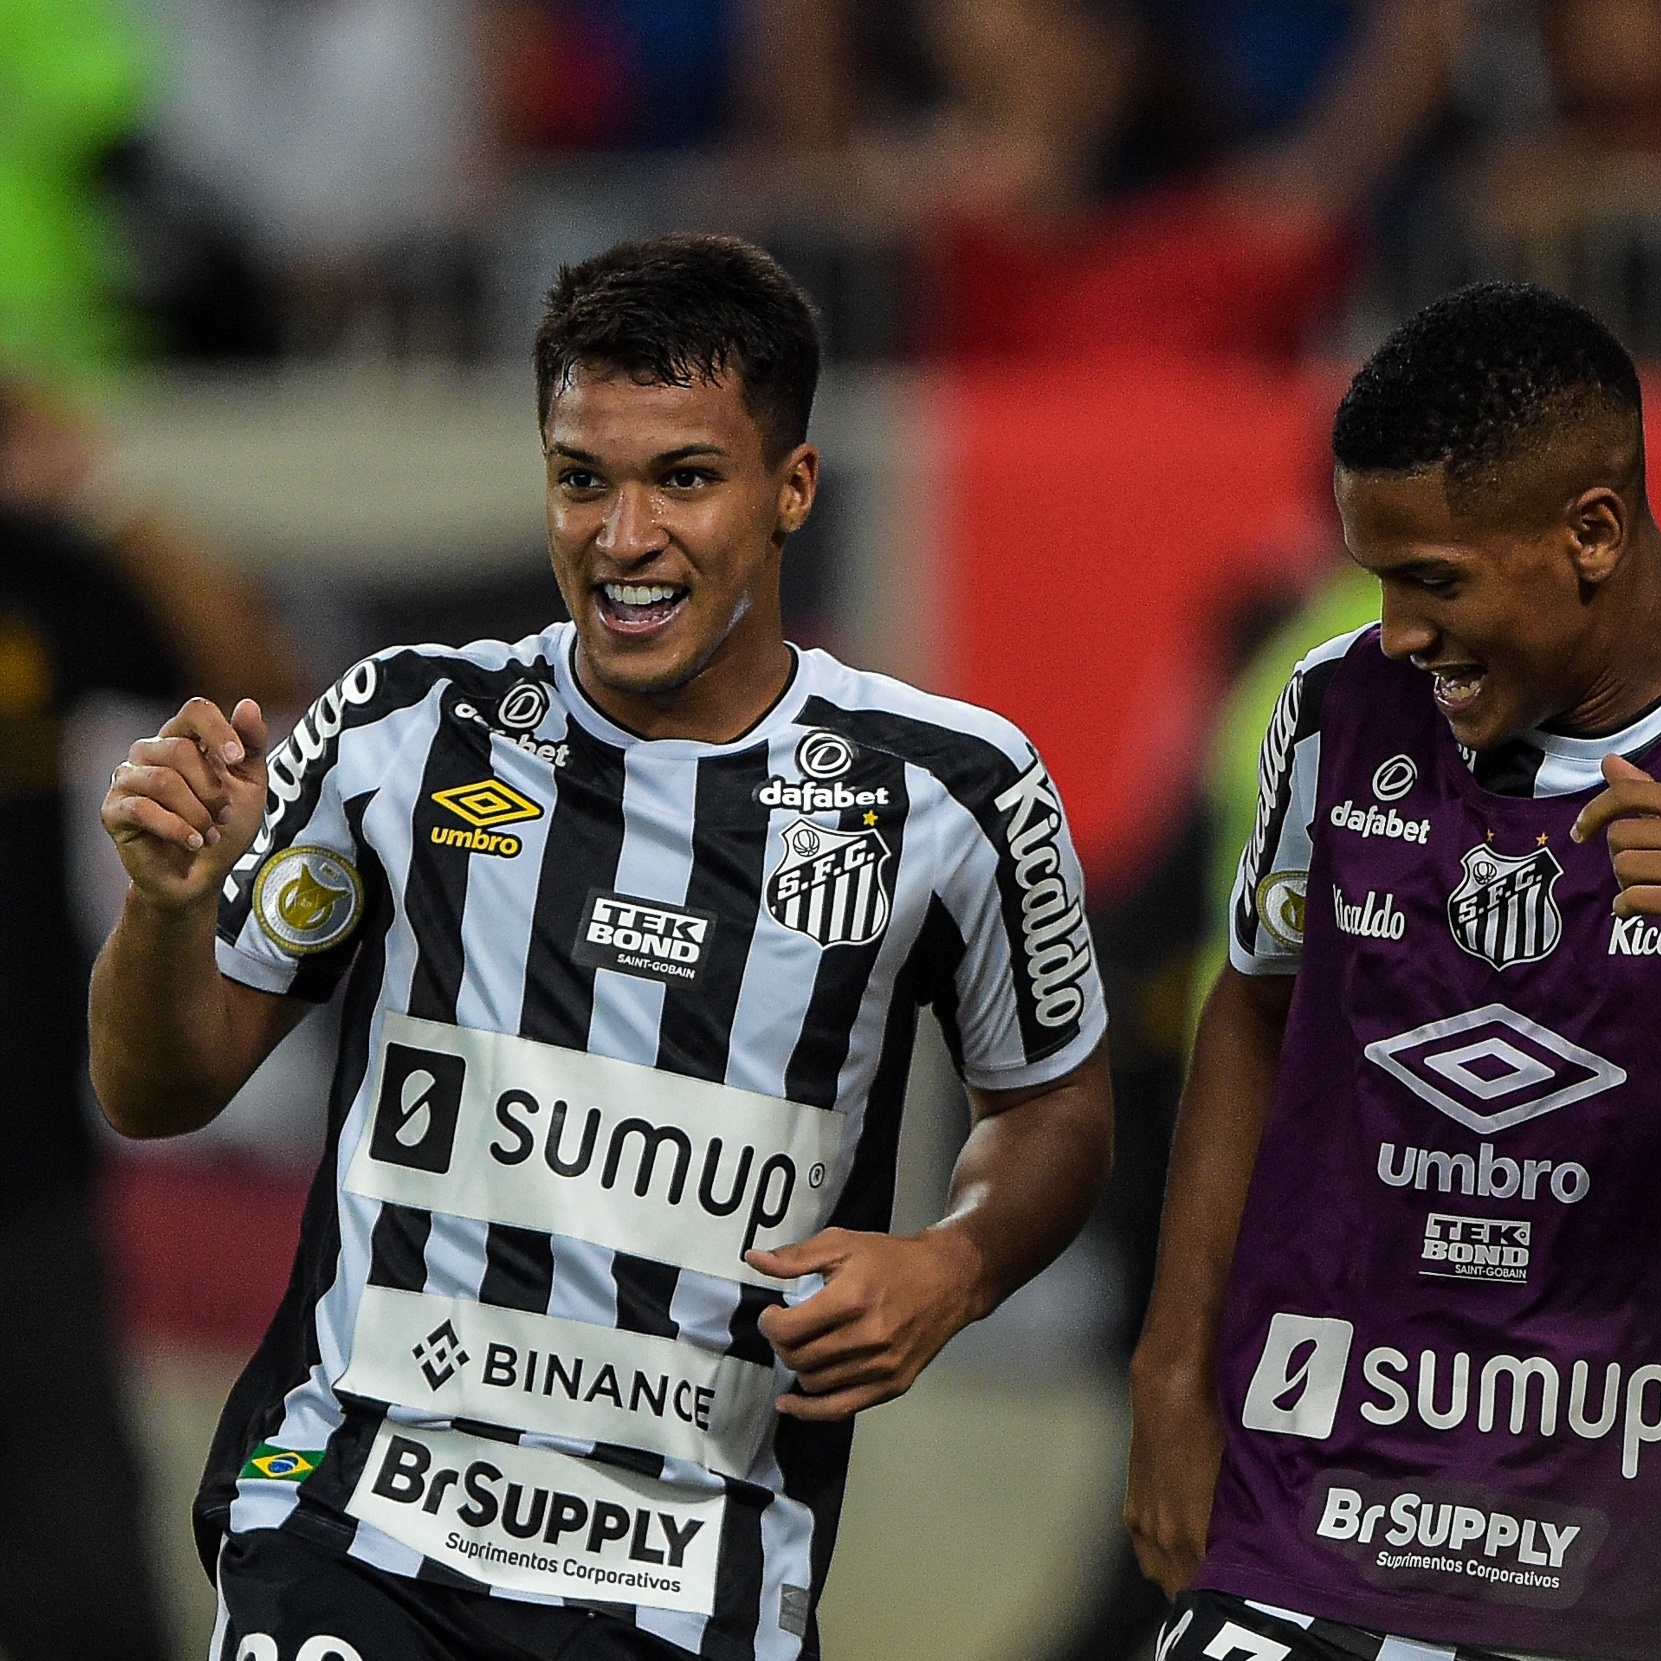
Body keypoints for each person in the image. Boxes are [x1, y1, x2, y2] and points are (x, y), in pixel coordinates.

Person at [92, 233, 1113, 1659]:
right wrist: (163, 906)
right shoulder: (404, 729)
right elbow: (159, 1089)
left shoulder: (953, 789)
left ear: (792, 489)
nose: (623, 538)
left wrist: (957, 1262)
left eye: (683, 478)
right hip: (355, 1515)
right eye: (584, 478)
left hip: (695, 1569)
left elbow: (1054, 1099)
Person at [1126, 279, 1661, 1660]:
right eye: (1377, 577)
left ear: (1589, 531)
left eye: (1435, 581)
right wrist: (1172, 1371)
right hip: (1340, 1514)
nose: (1398, 629)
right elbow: (1256, 996)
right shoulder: (1338, 705)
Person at [0, 379, 301, 1661]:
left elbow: (255, 684)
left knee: (81, 1572)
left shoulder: (30, 573)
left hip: (16, 1160)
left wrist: (98, 491)